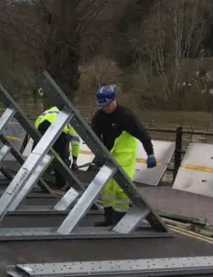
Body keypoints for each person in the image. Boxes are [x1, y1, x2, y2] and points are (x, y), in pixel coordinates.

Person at [92, 85, 157, 227]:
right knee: (106, 187)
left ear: (114, 99)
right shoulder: (98, 117)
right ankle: (108, 218)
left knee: (121, 187)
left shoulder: (126, 116)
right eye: (102, 105)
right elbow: (94, 137)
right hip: (109, 152)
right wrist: (97, 155)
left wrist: (150, 153)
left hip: (125, 153)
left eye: (108, 105)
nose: (105, 108)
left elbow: (142, 134)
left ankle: (119, 220)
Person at [34, 106, 81, 190]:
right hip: (59, 131)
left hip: (41, 127)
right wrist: (74, 161)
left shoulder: (52, 110)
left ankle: (36, 174)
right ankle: (61, 183)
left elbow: (37, 121)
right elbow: (76, 143)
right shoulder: (73, 121)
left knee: (40, 153)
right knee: (61, 157)